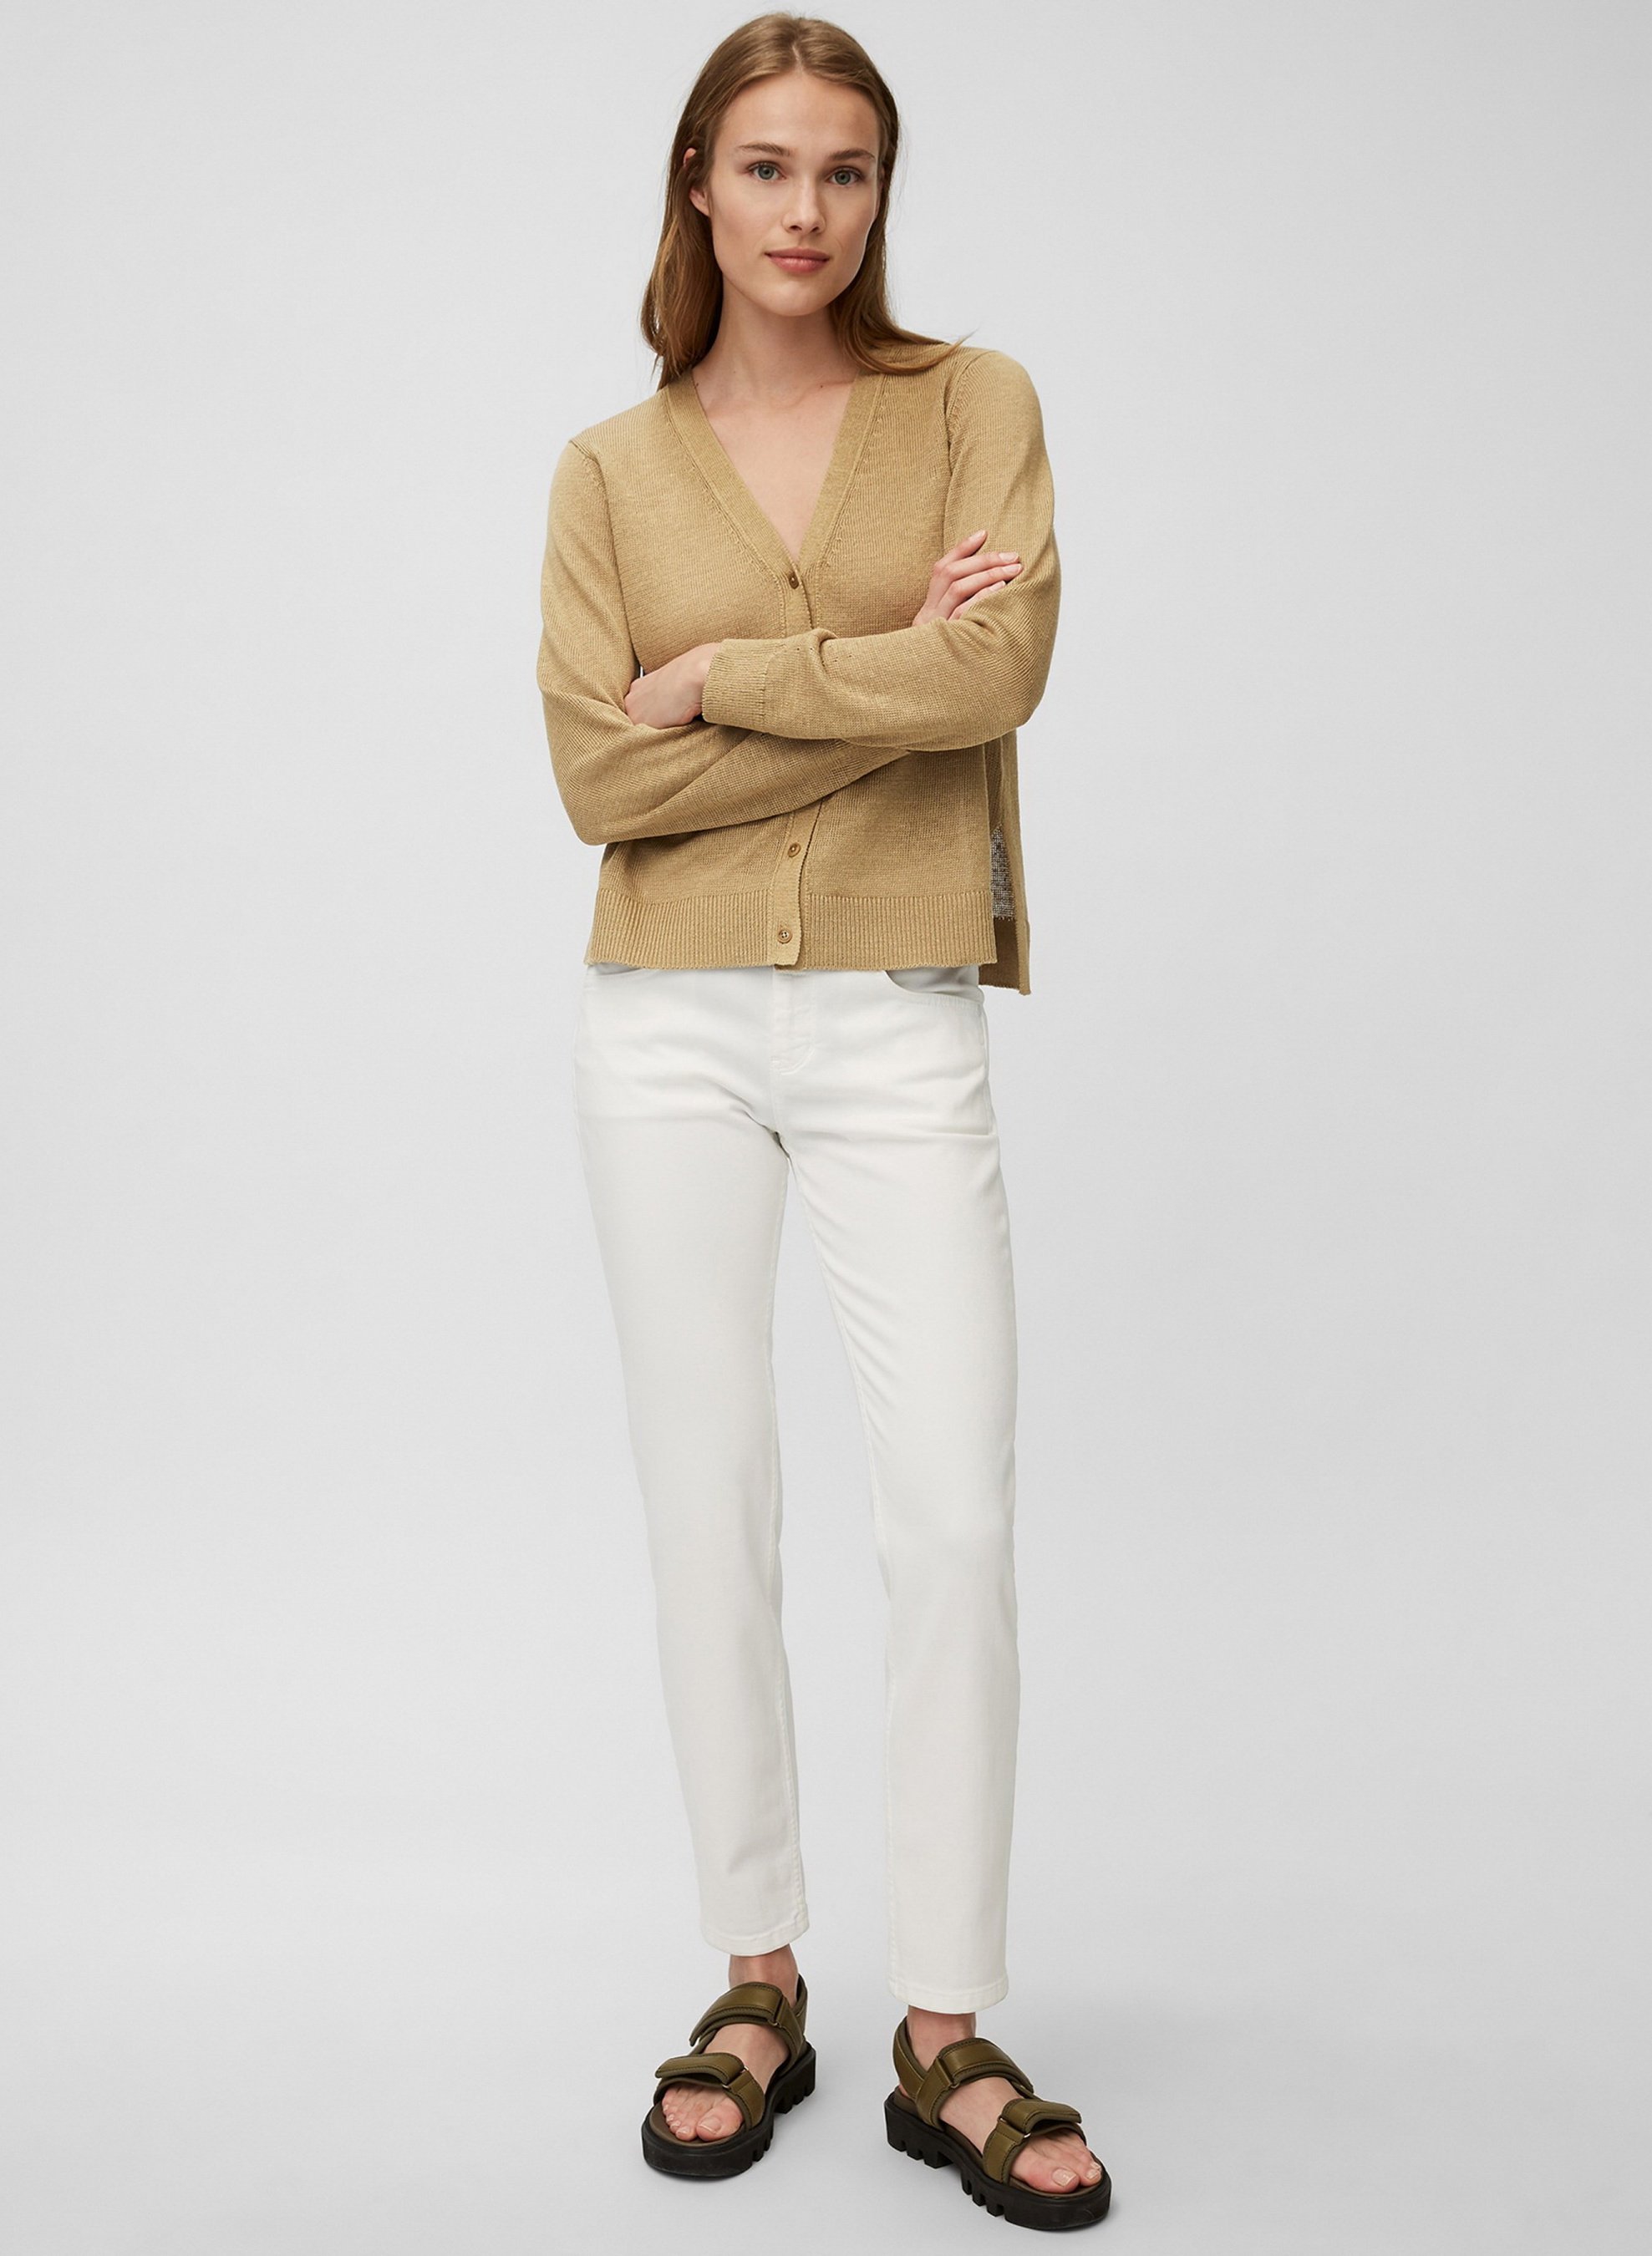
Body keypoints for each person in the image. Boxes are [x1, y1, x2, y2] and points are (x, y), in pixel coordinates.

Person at [536, 12, 1111, 2230]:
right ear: (698, 183)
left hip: (894, 1011)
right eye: (765, 166)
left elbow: (997, 675)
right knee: (708, 1506)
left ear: (881, 193)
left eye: (845, 170)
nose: (805, 210)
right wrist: (885, 671)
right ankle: (755, 1976)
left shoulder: (974, 407)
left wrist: (728, 679)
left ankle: (945, 2025)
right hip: (664, 1025)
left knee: (949, 1521)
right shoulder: (609, 471)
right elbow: (599, 781)